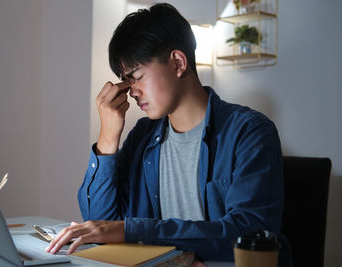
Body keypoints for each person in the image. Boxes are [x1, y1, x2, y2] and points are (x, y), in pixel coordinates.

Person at [46, 3, 291, 266]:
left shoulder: (249, 132)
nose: (131, 91)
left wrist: (132, 230)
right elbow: (101, 223)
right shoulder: (143, 135)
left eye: (136, 76)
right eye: (125, 81)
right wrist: (107, 137)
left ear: (177, 62)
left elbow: (248, 233)